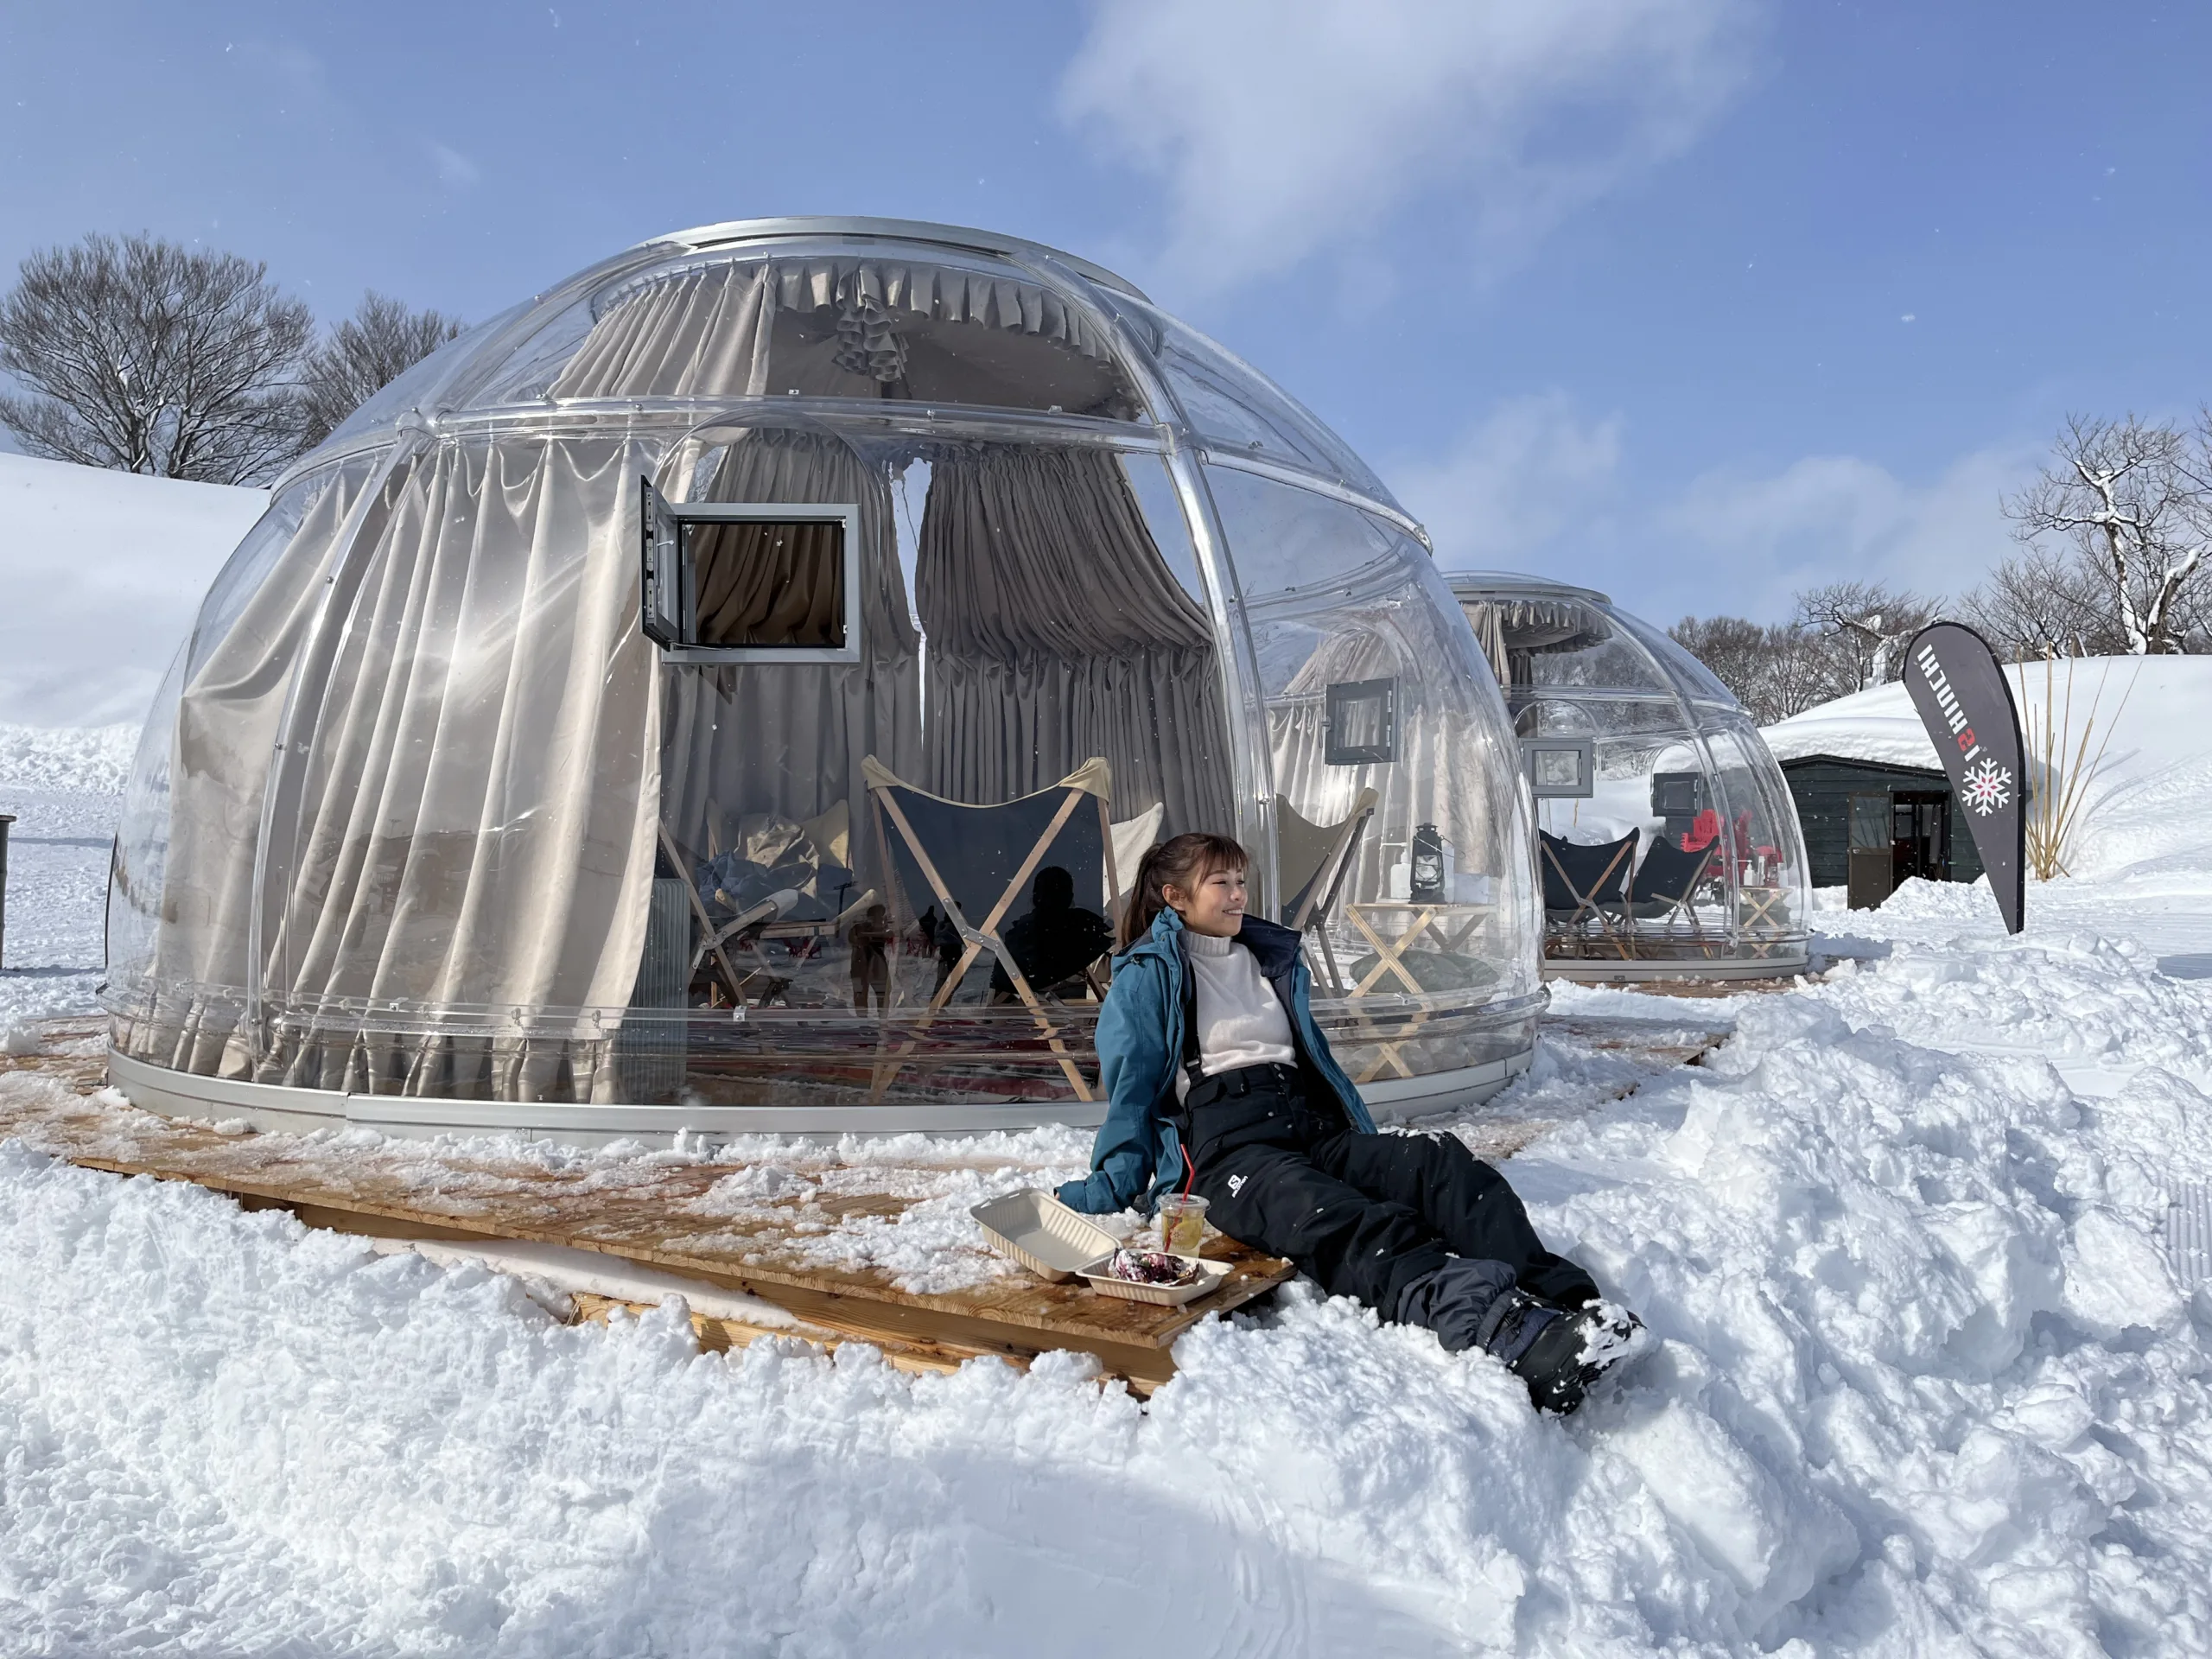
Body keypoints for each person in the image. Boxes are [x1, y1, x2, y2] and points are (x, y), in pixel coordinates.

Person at [1058, 831, 1643, 1414]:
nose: (1239, 895)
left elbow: (1313, 1064)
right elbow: (1131, 1091)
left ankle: (1571, 1306)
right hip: (1225, 1152)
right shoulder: (1149, 974)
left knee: (1436, 1162)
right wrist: (1110, 1184)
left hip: (1307, 1124)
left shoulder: (1267, 956)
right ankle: (1501, 1328)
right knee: (1334, 1215)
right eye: (1221, 884)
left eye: (1241, 881)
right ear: (1175, 897)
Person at [988, 865, 1111, 1003]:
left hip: (1018, 991)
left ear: (1035, 896)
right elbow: (1110, 939)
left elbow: (999, 981)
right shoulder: (1081, 923)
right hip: (1034, 987)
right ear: (1069, 897)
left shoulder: (1019, 933)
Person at [847, 902, 893, 1015]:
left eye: (882, 916)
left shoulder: (884, 929)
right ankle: (862, 1021)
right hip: (861, 967)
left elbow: (889, 936)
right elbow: (856, 939)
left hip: (878, 967)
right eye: (878, 916)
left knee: (883, 995)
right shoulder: (859, 928)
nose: (881, 919)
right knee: (860, 995)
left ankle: (883, 1019)